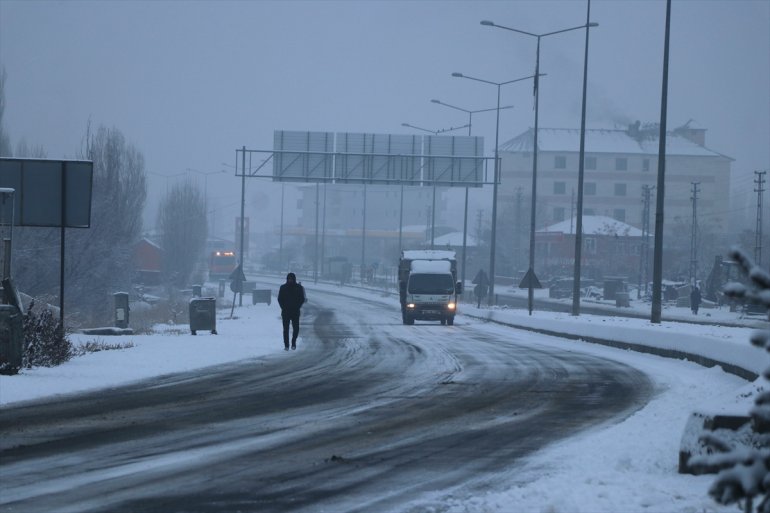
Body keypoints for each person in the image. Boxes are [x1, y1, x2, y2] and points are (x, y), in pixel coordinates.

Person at [278, 272, 306, 350]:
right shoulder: (283, 288)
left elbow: (302, 299)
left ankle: (293, 342)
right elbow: (280, 299)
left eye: (291, 279)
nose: (290, 280)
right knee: (285, 329)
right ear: (287, 279)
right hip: (286, 312)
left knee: (296, 328)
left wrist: (297, 307)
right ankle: (286, 345)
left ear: (294, 279)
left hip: (295, 312)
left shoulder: (298, 288)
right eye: (289, 279)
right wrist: (283, 307)